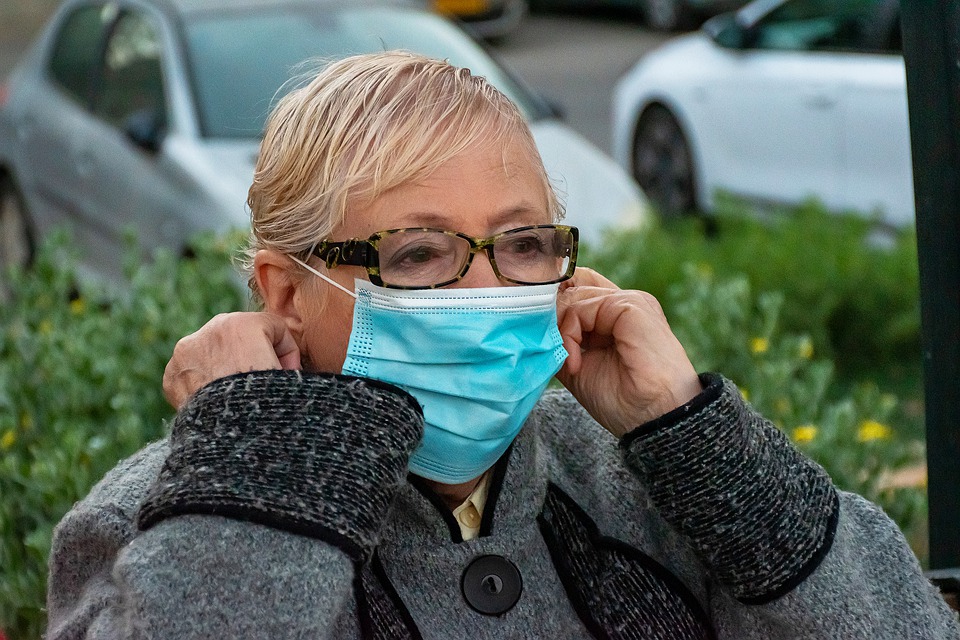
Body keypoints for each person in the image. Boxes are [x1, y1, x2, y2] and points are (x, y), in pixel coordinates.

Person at [46, 51, 959, 639]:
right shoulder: (156, 526)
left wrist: (696, 439)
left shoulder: (636, 488)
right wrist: (260, 467)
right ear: (285, 293)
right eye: (418, 252)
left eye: (524, 245)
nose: (488, 292)